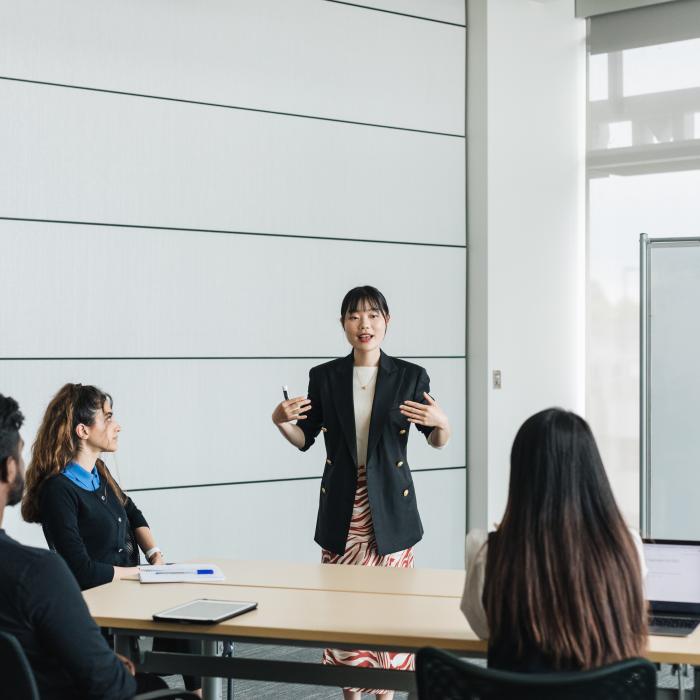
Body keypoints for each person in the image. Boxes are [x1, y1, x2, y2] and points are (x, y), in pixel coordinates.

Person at [271, 285, 451, 700]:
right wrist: (280, 420)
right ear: (343, 325)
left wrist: (444, 422)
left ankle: (385, 694)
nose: (364, 325)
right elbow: (305, 439)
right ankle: (352, 693)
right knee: (346, 609)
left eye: (372, 315)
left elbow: (435, 439)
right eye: (354, 317)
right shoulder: (325, 376)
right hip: (343, 508)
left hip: (390, 509)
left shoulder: (410, 376)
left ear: (387, 321)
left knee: (391, 611)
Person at [21, 383, 201, 696]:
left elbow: (133, 513)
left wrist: (155, 555)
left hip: (128, 593)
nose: (117, 425)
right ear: (83, 430)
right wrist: (143, 573)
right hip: (98, 607)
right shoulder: (58, 490)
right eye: (107, 418)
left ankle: (199, 694)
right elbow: (81, 571)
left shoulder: (99, 472)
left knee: (189, 612)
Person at [460, 408, 648, 672]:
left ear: (521, 473)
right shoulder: (626, 546)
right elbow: (630, 620)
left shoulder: (487, 551)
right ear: (592, 470)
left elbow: (483, 629)